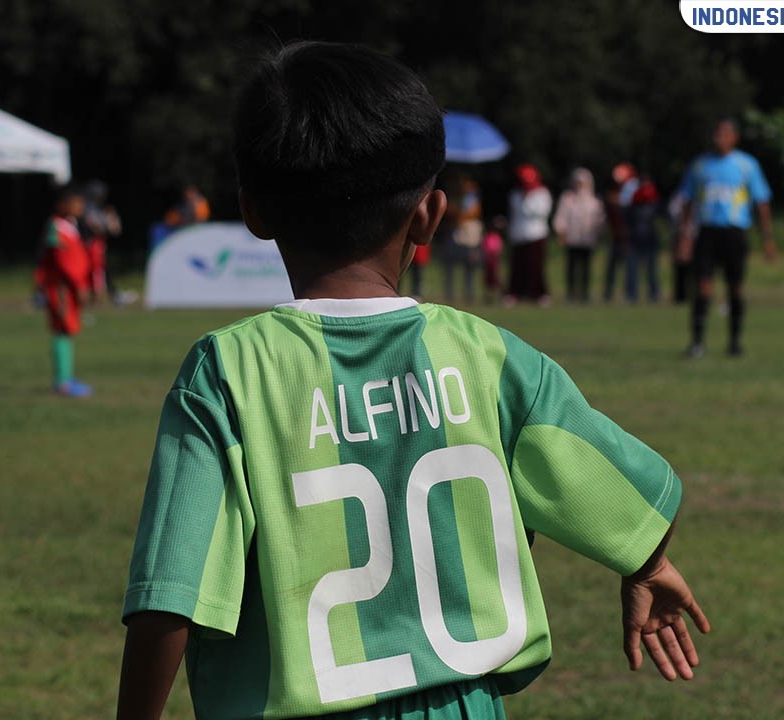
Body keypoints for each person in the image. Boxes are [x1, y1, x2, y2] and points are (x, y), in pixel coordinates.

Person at [117, 42, 709, 720]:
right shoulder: (490, 356)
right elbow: (626, 496)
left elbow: (171, 595)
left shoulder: (227, 374)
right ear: (429, 216)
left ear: (253, 211)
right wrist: (647, 566)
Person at [678, 118, 775, 358]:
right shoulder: (700, 165)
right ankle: (697, 343)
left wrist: (767, 238)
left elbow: (761, 202)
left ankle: (734, 343)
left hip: (734, 232)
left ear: (734, 137)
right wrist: (685, 236)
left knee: (735, 288)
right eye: (716, 133)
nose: (718, 138)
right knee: (703, 287)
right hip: (707, 232)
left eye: (724, 134)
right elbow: (688, 201)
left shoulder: (746, 165)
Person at [34, 184, 93, 397]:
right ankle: (62, 381)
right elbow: (64, 261)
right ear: (63, 204)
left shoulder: (69, 225)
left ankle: (66, 377)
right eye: (76, 203)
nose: (80, 207)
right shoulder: (57, 227)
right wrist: (79, 284)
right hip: (61, 289)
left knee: (67, 330)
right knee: (62, 329)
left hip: (68, 287)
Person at [552, 167, 604, 303]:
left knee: (586, 267)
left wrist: (598, 234)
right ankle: (571, 293)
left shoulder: (594, 201)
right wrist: (561, 232)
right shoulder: (567, 198)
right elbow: (561, 217)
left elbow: (599, 220)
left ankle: (584, 293)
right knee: (571, 267)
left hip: (587, 239)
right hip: (572, 239)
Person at [504, 163, 553, 306]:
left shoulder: (542, 193)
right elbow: (515, 213)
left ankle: (539, 294)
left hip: (536, 234)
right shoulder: (515, 194)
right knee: (517, 266)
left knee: (535, 266)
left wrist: (528, 199)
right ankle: (515, 293)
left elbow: (541, 212)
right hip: (519, 235)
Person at [80, 179, 123, 304]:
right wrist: (107, 224)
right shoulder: (87, 209)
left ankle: (101, 296)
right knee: (90, 271)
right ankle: (96, 297)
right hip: (88, 244)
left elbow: (116, 229)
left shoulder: (104, 210)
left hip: (98, 245)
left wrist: (111, 218)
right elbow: (96, 227)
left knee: (99, 270)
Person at [443, 175, 483, 303]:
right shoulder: (455, 198)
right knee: (450, 265)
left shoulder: (473, 200)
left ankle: (469, 294)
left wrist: (460, 215)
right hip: (456, 234)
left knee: (469, 266)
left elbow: (473, 213)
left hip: (469, 236)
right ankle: (449, 293)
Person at [623, 172, 662, 304]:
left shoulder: (655, 202)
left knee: (652, 269)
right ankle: (631, 294)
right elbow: (627, 222)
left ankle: (654, 293)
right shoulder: (634, 202)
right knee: (632, 269)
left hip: (650, 239)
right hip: (635, 239)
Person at [603, 163, 634, 302]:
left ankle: (630, 294)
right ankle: (608, 293)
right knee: (612, 266)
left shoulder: (633, 190)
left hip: (629, 236)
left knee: (629, 266)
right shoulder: (614, 193)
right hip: (616, 236)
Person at [482, 215, 505, 302]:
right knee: (488, 280)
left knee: (496, 279)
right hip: (488, 261)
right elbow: (485, 248)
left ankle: (498, 296)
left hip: (494, 261)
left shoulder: (497, 237)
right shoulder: (489, 236)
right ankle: (489, 297)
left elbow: (499, 249)